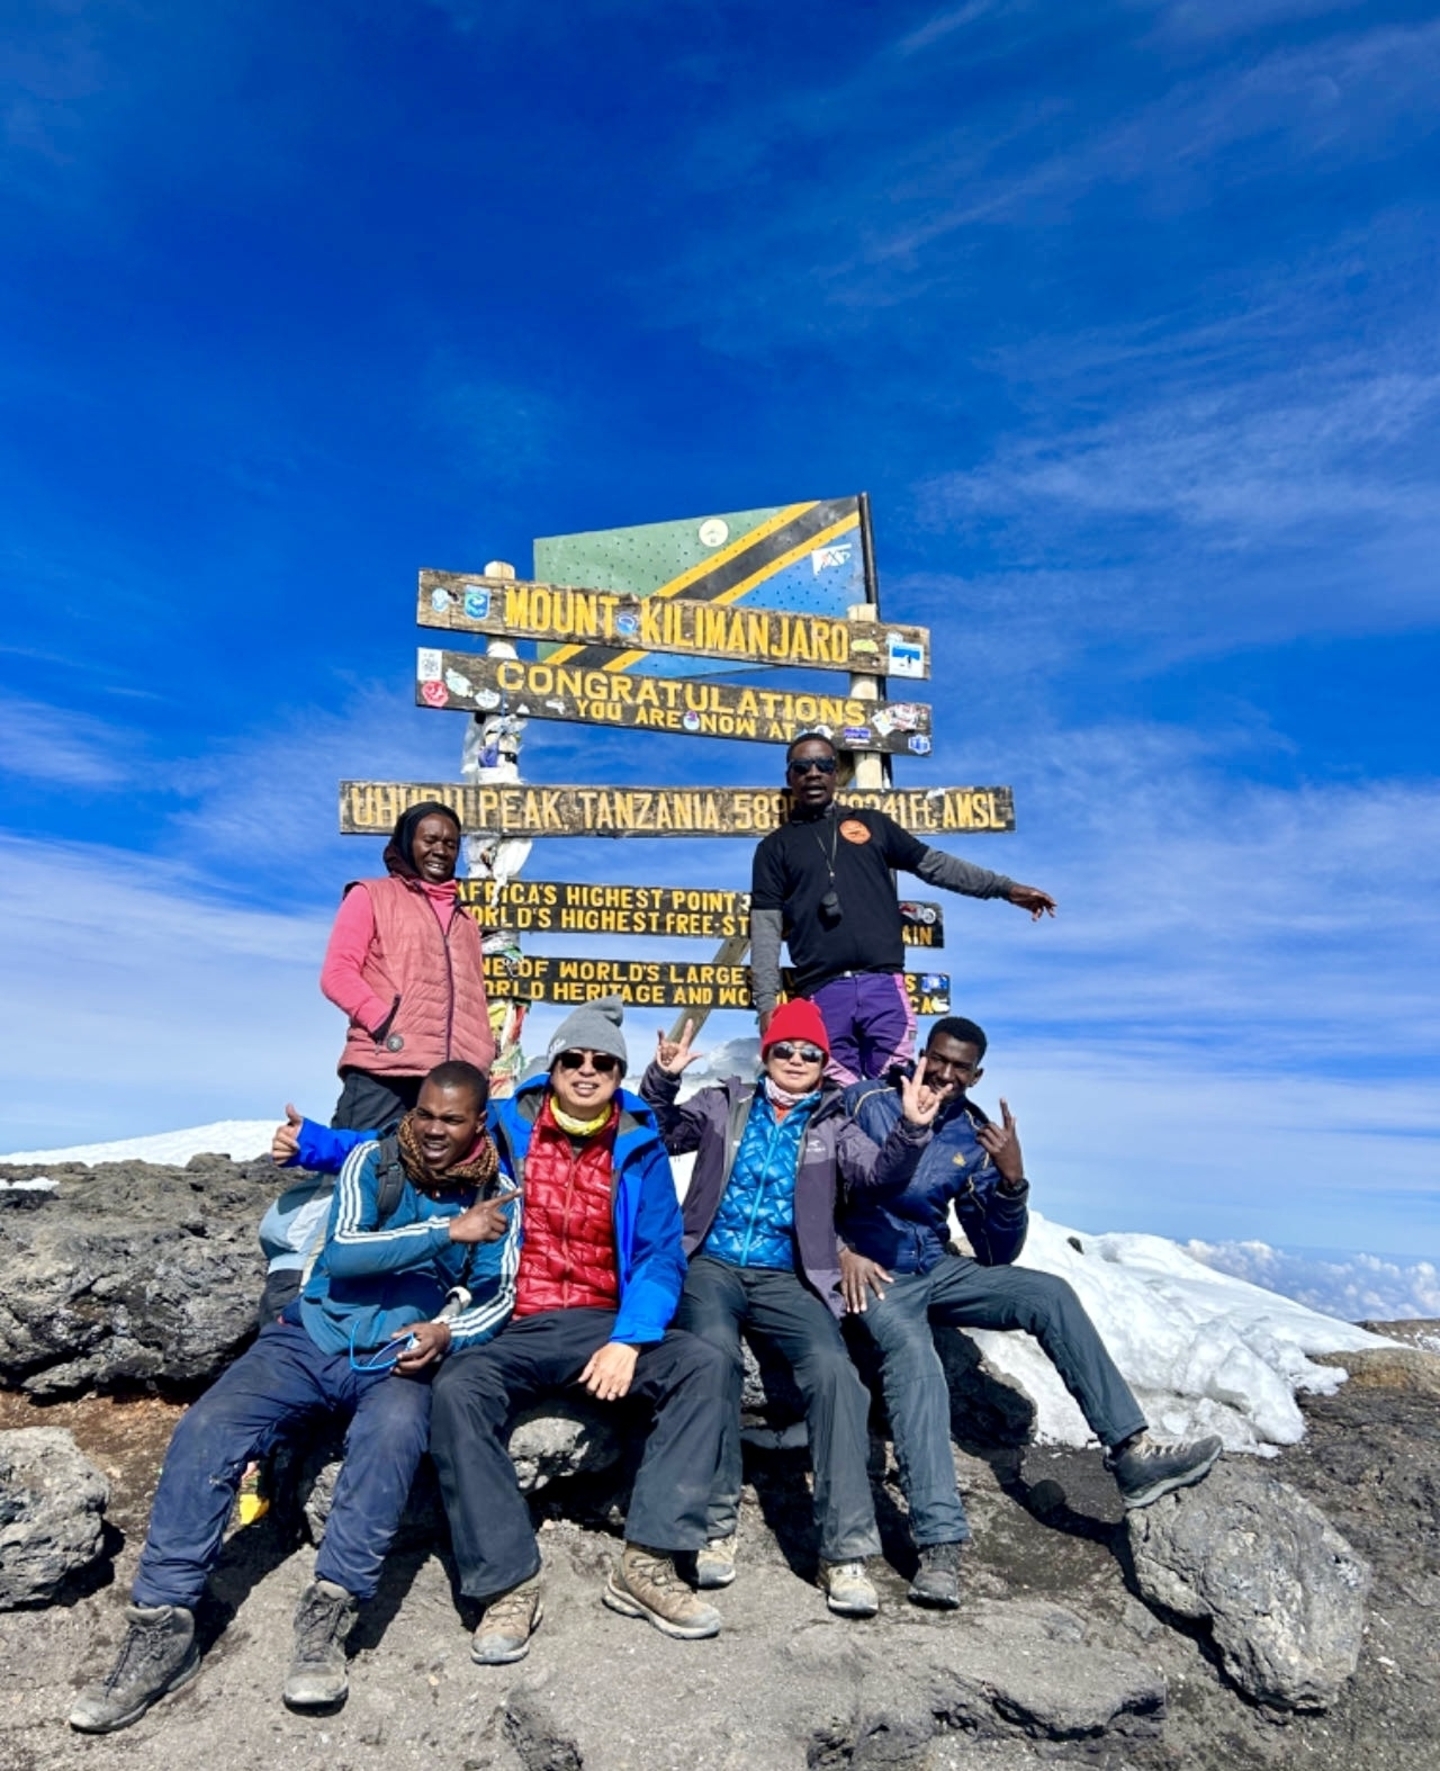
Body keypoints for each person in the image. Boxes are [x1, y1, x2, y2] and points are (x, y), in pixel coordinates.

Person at [69, 1063, 520, 1734]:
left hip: (395, 1357)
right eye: (424, 1113)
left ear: (478, 1122)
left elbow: (498, 1293)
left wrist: (448, 1332)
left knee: (393, 1438)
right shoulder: (373, 1160)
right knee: (209, 1426)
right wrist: (447, 1232)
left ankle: (329, 1615)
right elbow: (342, 1254)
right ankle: (162, 1622)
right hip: (309, 1336)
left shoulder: (498, 1193)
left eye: (451, 1119)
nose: (432, 1129)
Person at [840, 1018, 1223, 1610]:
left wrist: (1012, 1179)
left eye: (960, 1067)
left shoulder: (972, 1133)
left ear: (977, 1075)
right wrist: (841, 1249)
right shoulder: (867, 1103)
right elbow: (812, 1183)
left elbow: (996, 1253)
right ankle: (939, 1546)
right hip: (875, 1273)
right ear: (921, 1054)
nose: (944, 1074)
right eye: (938, 1059)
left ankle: (1130, 1455)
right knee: (918, 1363)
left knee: (1049, 1294)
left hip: (935, 1267)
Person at [427, 998, 733, 1663]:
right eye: (574, 1058)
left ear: (619, 1074)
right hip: (520, 1321)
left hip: (604, 1319)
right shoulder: (505, 1126)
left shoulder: (639, 1144)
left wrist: (630, 1337)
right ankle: (508, 1582)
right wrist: (315, 1147)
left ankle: (648, 1562)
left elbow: (658, 1255)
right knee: (456, 1389)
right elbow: (419, 1141)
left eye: (603, 1063)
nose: (587, 1070)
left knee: (703, 1364)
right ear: (554, 1065)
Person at [641, 998, 943, 1618]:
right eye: (786, 1049)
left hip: (789, 1274)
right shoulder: (724, 1103)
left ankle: (845, 1552)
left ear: (824, 1062)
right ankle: (714, 1524)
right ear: (767, 1054)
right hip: (712, 1263)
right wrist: (663, 1079)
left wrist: (911, 1130)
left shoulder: (834, 1124)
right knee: (712, 1358)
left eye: (810, 1052)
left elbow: (879, 1177)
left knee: (836, 1377)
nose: (798, 1059)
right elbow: (661, 1132)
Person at [749, 733, 1057, 1084]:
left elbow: (935, 866)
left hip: (883, 986)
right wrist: (766, 1006)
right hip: (822, 991)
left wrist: (1004, 888)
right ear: (789, 777)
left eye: (824, 765)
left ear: (835, 773)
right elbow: (766, 930)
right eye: (802, 767)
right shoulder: (774, 848)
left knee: (894, 1090)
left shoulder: (872, 824)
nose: (813, 773)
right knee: (837, 1095)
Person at [321, 799, 495, 1132]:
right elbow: (337, 973)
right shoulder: (370, 895)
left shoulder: (466, 920)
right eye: (429, 840)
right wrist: (384, 1021)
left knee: (448, 1168)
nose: (440, 850)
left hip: (453, 1081)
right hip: (386, 1069)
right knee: (358, 1157)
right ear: (407, 842)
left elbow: (473, 993)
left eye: (450, 844)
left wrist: (483, 1050)